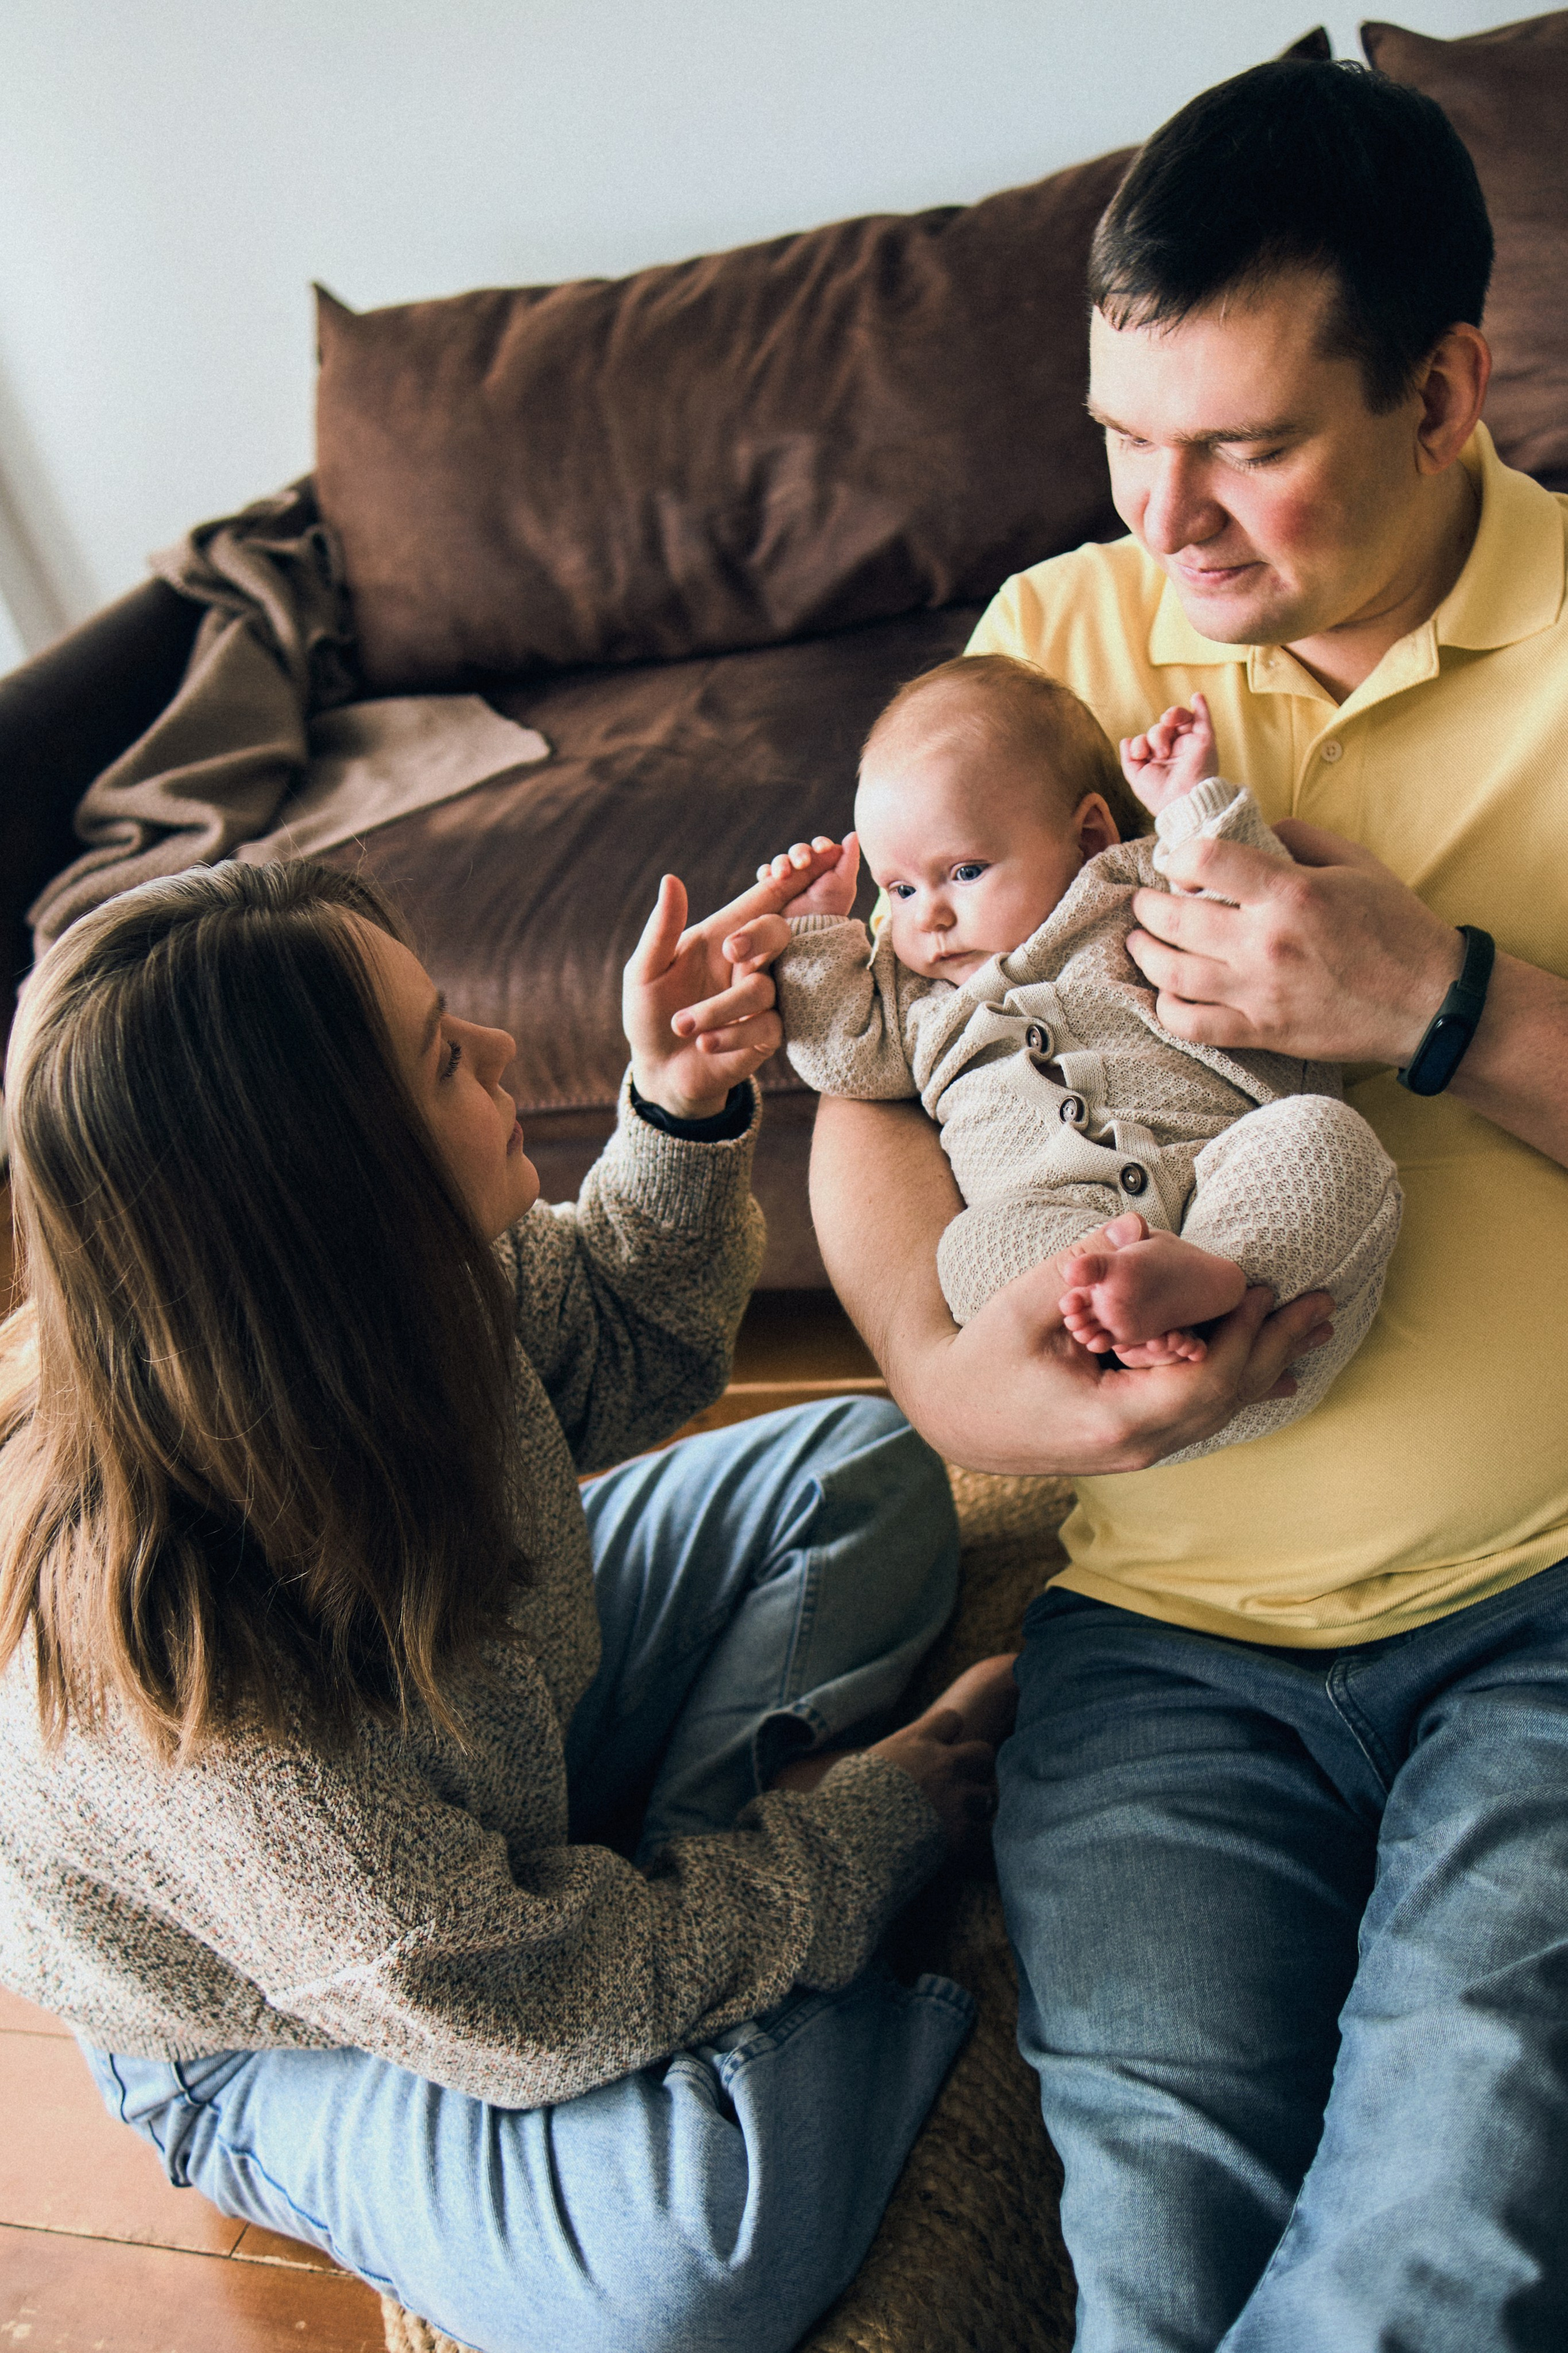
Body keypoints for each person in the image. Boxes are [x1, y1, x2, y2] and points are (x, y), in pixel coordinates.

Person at [752, 55, 1568, 2353]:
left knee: (1447, 2231)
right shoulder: (1048, 650)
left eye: (1246, 447)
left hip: (1547, 1607)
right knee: (1163, 2243)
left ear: (1441, 391)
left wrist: (1448, 999)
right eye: (1128, 436)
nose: (1164, 522)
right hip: (1170, 1653)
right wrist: (942, 1371)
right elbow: (889, 1082)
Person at [0, 856, 1017, 2353]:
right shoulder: (206, 1689)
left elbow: (621, 1344)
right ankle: (703, 1969)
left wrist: (673, 1105)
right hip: (287, 2020)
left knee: (856, 1464)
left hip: (488, 1767)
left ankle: (686, 1932)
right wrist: (868, 1833)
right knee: (702, 2249)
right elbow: (517, 2004)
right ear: (329, 1189)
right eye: (438, 1057)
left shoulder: (388, 1285)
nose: (495, 1051)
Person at [728, 658, 1397, 1456]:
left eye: (965, 871)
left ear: (1087, 835)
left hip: (1265, 1304)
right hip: (1082, 1326)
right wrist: (813, 937)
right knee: (969, 1251)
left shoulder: (1127, 887)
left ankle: (1208, 1275)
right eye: (898, 890)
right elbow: (846, 1061)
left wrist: (1191, 807)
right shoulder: (909, 992)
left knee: (1324, 1138)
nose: (930, 917)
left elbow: (1251, 908)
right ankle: (1132, 1303)